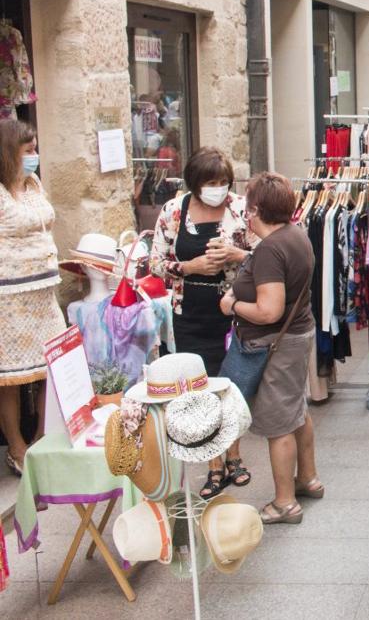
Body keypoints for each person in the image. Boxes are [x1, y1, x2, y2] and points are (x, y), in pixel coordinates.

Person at [150, 147, 254, 498]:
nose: (219, 188)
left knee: (231, 382)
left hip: (233, 308)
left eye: (224, 182)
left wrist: (237, 256)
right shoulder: (172, 212)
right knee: (202, 385)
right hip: (190, 311)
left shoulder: (240, 209)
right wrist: (189, 268)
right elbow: (155, 263)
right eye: (212, 182)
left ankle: (235, 456)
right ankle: (213, 463)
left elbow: (265, 253)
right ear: (195, 184)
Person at [220, 173, 318, 525]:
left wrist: (232, 305)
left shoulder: (270, 249)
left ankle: (284, 502)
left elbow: (268, 310)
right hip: (297, 335)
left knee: (278, 424)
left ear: (256, 208)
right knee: (296, 410)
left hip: (275, 342)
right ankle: (308, 477)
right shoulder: (296, 235)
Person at [0, 120, 63, 476]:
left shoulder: (33, 184)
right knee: (10, 377)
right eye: (28, 151)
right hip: (9, 301)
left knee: (50, 368)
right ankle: (17, 446)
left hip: (43, 295)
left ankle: (43, 435)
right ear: (10, 153)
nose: (35, 157)